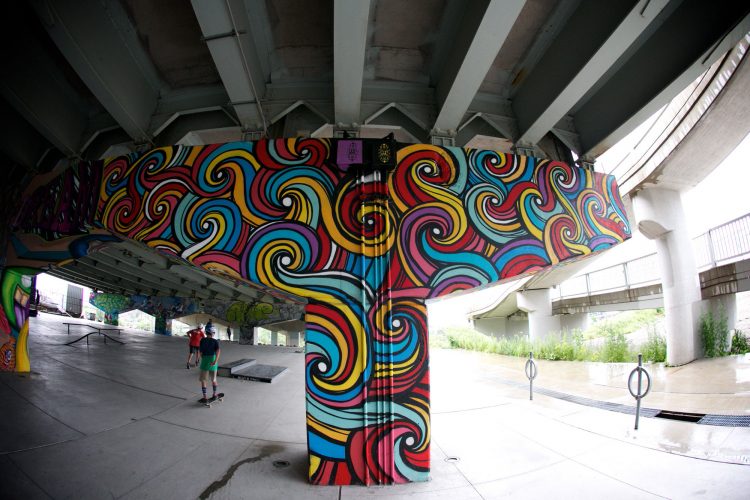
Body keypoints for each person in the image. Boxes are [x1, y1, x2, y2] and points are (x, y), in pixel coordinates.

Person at [198, 323, 221, 402]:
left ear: (206, 332)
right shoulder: (215, 341)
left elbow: (200, 353)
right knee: (214, 380)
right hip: (213, 360)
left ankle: (205, 397)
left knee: (203, 380)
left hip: (205, 361)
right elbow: (218, 351)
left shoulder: (202, 340)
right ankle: (214, 394)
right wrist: (215, 361)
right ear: (212, 333)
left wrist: (203, 358)